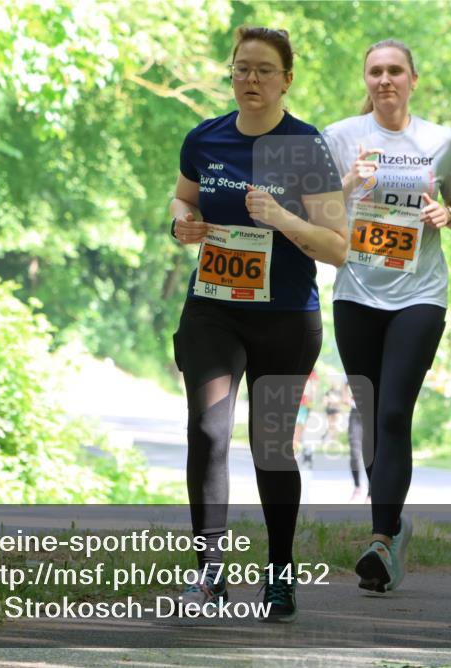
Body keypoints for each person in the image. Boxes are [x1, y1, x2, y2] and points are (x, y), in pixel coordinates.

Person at [169, 26, 347, 622]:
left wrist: (280, 217)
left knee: (270, 448)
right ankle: (209, 574)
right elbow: (183, 200)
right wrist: (182, 225)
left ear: (286, 80)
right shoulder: (205, 137)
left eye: (264, 70)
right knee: (208, 432)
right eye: (242, 68)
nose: (251, 80)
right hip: (213, 308)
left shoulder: (306, 147)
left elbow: (337, 247)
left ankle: (279, 575)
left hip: (284, 319)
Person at [323, 39, 451, 593]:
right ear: (365, 79)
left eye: (395, 71)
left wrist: (445, 212)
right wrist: (347, 184)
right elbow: (312, 210)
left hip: (419, 295)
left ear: (413, 78)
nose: (385, 80)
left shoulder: (439, 140)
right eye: (375, 71)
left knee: (393, 414)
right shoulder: (340, 137)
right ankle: (389, 528)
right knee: (368, 413)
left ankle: (381, 540)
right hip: (356, 289)